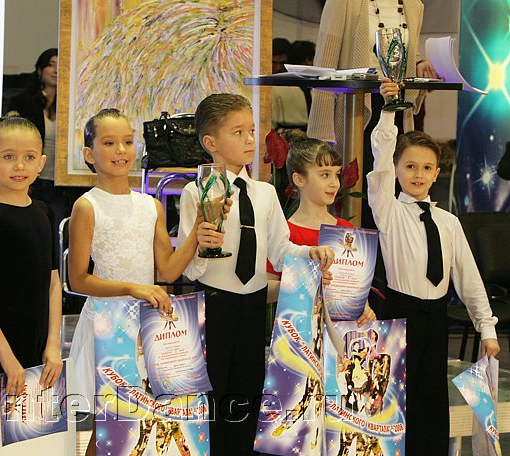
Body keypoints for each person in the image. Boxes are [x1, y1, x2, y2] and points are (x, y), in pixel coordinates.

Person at [176, 93, 335, 455]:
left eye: (251, 131)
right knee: (212, 393)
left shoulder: (264, 193)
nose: (250, 140)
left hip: (253, 306)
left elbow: (279, 250)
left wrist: (309, 253)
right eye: (238, 132)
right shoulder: (195, 192)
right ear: (211, 142)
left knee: (248, 391)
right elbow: (189, 265)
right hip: (213, 304)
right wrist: (200, 244)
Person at [67, 108, 221, 456]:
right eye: (109, 143)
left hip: (147, 325)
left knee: (146, 422)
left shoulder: (151, 206)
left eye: (127, 141)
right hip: (108, 324)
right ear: (89, 153)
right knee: (109, 422)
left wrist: (197, 230)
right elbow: (78, 279)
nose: (121, 150)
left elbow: (168, 271)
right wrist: (132, 288)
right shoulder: (87, 206)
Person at [368, 79, 500, 455]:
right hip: (399, 315)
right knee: (395, 403)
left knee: (431, 404)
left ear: (437, 172)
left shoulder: (449, 222)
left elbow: (469, 280)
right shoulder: (388, 211)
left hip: (435, 318)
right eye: (410, 166)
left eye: (427, 167)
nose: (418, 174)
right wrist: (389, 111)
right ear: (396, 169)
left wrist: (486, 328)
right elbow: (380, 159)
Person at [0, 114, 63, 440]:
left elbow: (53, 283)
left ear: (42, 163)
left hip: (39, 347)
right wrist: (6, 356)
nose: (19, 166)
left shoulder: (44, 212)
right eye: (8, 157)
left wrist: (53, 344)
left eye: (29, 157)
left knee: (35, 437)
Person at [307, 0, 439, 230]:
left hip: (396, 106)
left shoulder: (414, 6)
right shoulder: (344, 3)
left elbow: (406, 51)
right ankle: (359, 250)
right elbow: (324, 64)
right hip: (356, 109)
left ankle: (392, 250)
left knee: (396, 189)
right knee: (361, 191)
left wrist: (419, 62)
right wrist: (322, 134)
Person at [265, 138, 376, 326]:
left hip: (341, 331)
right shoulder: (284, 232)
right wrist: (302, 282)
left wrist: (364, 309)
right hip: (298, 331)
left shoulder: (346, 230)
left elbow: (354, 287)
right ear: (299, 179)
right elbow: (266, 289)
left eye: (336, 174)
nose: (334, 183)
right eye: (325, 175)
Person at [7, 48, 77, 229]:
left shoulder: (72, 104)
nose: (56, 70)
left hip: (60, 184)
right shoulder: (23, 102)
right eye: (51, 65)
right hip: (32, 180)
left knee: (54, 230)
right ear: (39, 70)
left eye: (61, 66)